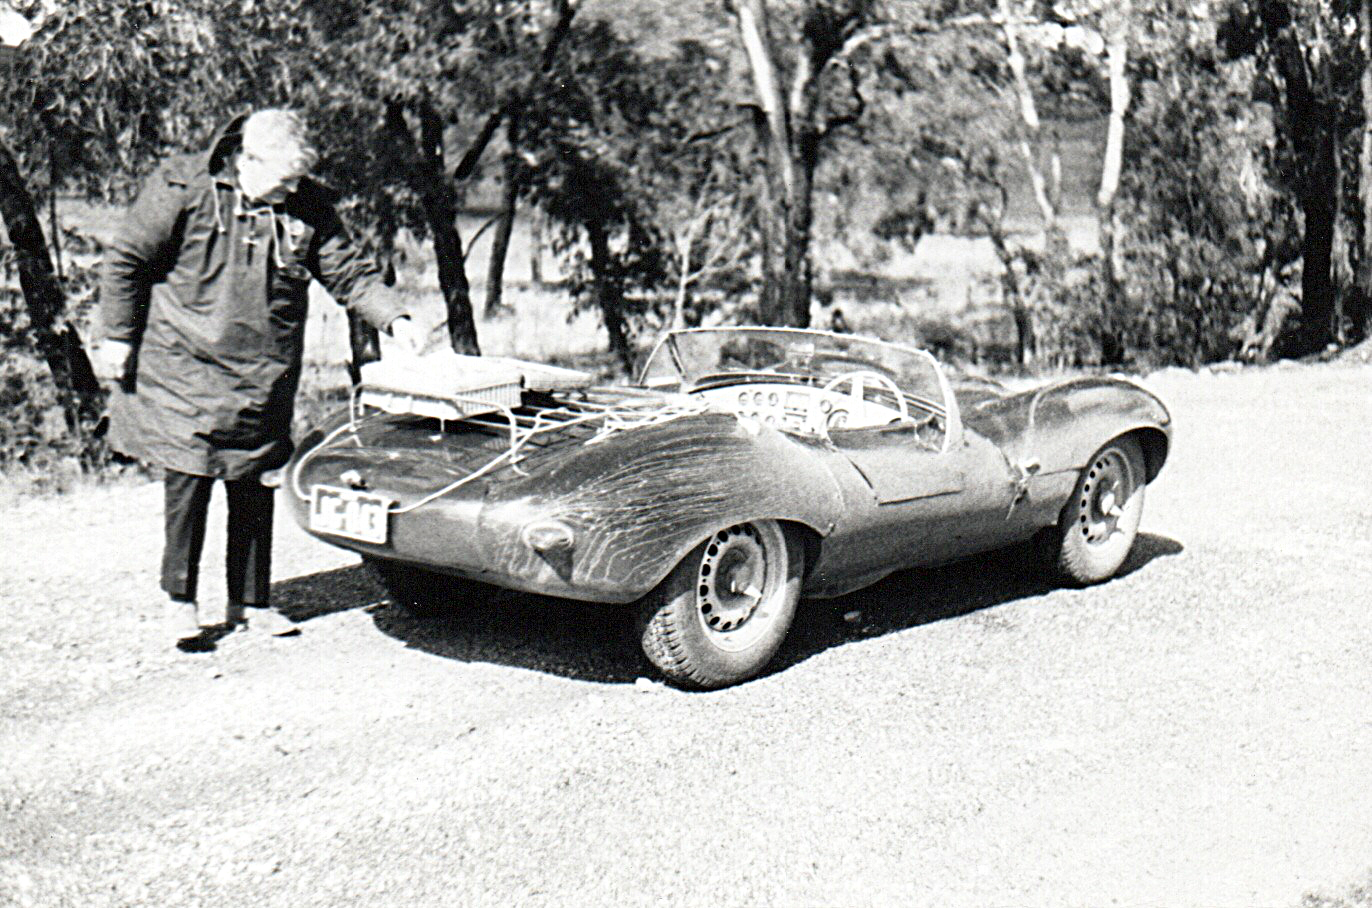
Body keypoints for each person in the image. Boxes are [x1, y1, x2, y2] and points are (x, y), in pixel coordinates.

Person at [95, 109, 421, 646]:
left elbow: (347, 272)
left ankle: (251, 602)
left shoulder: (305, 203)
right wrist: (117, 337)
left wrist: (394, 318)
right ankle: (180, 602)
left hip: (263, 372)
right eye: (285, 178)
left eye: (298, 179)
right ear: (247, 159)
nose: (293, 189)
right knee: (190, 480)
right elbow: (127, 259)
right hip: (185, 365)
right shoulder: (183, 187)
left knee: (254, 480)